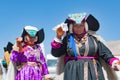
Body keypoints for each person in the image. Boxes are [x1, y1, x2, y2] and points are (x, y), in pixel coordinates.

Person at [51, 13, 120, 80]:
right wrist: (58, 37)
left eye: (81, 25)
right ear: (72, 27)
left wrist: (114, 62)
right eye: (76, 26)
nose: (78, 28)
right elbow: (56, 53)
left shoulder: (94, 39)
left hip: (92, 71)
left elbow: (105, 53)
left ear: (85, 26)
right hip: (72, 73)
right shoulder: (68, 39)